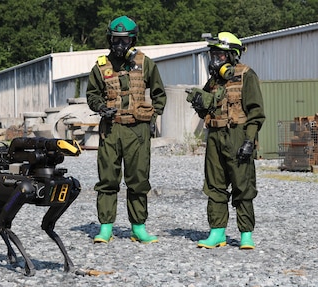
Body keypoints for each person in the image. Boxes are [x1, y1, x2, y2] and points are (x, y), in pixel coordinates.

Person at [86, 15, 167, 244]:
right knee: (107, 179)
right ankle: (105, 228)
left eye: (124, 40)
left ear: (133, 40)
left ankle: (138, 227)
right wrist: (101, 107)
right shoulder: (101, 66)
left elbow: (160, 94)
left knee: (138, 179)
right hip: (111, 130)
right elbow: (92, 94)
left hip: (137, 130)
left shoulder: (145, 63)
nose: (119, 45)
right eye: (115, 40)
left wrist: (153, 116)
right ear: (109, 39)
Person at [186, 32, 265, 249]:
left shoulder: (246, 76)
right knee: (215, 185)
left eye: (220, 55)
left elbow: (256, 113)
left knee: (243, 185)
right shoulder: (213, 81)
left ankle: (246, 234)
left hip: (237, 135)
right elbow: (206, 112)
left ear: (232, 55)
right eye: (213, 54)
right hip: (215, 137)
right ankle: (217, 232)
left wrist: (250, 141)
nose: (215, 59)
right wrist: (200, 104)